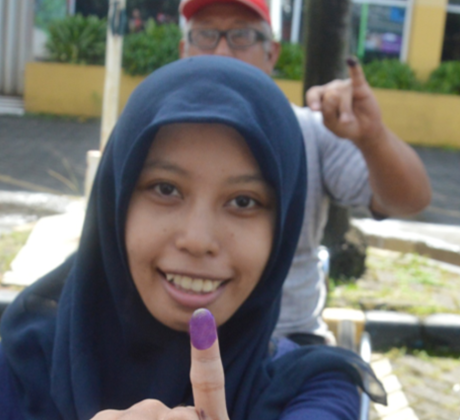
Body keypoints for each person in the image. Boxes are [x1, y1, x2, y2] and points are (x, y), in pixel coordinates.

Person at [0, 56, 385, 420]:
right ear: (117, 202)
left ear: (283, 226)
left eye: (243, 201)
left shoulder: (317, 391)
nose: (198, 239)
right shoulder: (26, 362)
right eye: (165, 189)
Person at [178, 0, 432, 345]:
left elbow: (408, 200)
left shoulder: (310, 132)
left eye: (241, 35)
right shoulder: (152, 135)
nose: (222, 50)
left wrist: (372, 136)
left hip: (288, 345)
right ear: (183, 50)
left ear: (273, 53)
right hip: (174, 341)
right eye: (206, 35)